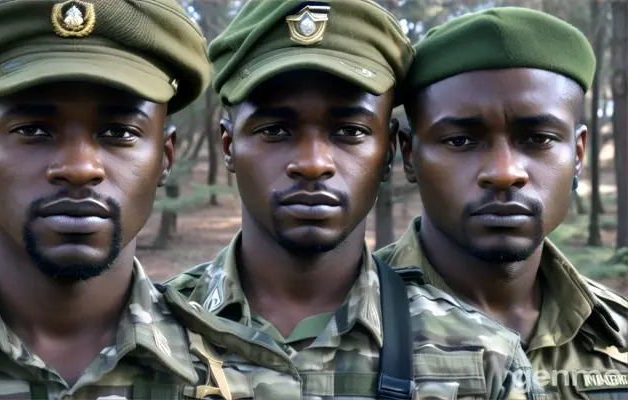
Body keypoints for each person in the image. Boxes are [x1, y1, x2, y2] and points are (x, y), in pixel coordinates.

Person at [0, 1, 308, 399]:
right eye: (33, 129)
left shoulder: (252, 382)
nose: (79, 168)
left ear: (164, 158)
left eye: (119, 132)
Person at [165, 0, 543, 398]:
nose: (313, 164)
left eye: (350, 131)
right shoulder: (146, 339)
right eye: (276, 130)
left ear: (389, 153)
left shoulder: (486, 361)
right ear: (228, 147)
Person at [375, 6, 628, 398]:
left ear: (578, 155)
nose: (505, 172)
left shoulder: (619, 335)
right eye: (460, 140)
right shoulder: (342, 330)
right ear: (408, 155)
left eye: (539, 139)